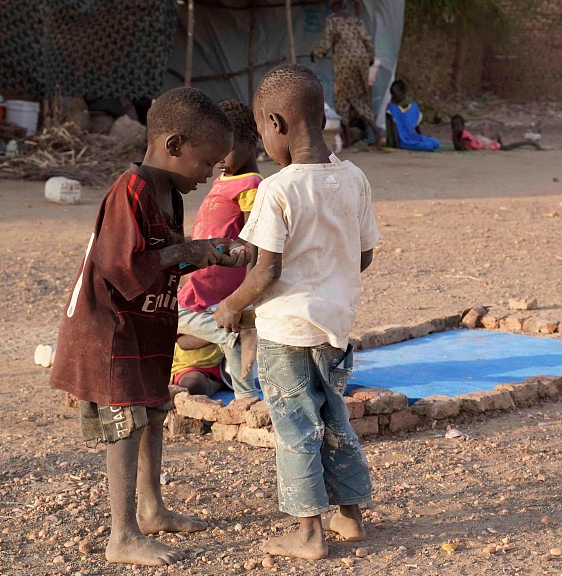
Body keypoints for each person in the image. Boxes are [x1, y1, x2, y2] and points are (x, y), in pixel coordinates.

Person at [48, 87, 251, 566]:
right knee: (124, 423)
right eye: (206, 164)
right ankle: (122, 535)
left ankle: (151, 509)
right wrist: (187, 252)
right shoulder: (131, 190)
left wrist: (208, 254)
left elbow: (161, 261)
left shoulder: (170, 194)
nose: (208, 176)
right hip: (110, 331)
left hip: (144, 324)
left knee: (153, 412)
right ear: (174, 145)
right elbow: (121, 267)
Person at [213, 64, 378, 560]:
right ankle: (350, 517)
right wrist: (332, 275)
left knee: (294, 426)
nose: (263, 141)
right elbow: (364, 253)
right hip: (335, 325)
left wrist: (230, 305)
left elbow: (265, 271)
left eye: (262, 130)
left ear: (276, 123)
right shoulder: (353, 177)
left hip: (286, 331)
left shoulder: (278, 189)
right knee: (334, 418)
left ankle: (308, 534)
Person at [172, 99, 262, 399]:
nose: (220, 158)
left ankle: (246, 396)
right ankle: (245, 394)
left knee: (172, 316)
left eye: (228, 149)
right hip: (203, 284)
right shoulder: (226, 178)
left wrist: (248, 296)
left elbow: (254, 240)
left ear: (252, 143)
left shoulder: (250, 183)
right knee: (202, 329)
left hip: (218, 287)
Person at [311, 0, 383, 148]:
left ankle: (347, 140)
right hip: (361, 60)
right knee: (360, 97)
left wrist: (315, 53)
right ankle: (377, 133)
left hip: (345, 62)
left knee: (342, 98)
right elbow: (367, 40)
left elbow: (326, 43)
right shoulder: (356, 21)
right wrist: (369, 57)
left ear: (335, 5)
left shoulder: (332, 20)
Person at [386, 79, 439, 152]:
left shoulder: (413, 106)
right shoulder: (392, 108)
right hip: (403, 141)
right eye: (391, 94)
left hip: (412, 137)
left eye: (394, 94)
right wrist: (397, 146)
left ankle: (419, 143)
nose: (392, 97)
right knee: (429, 146)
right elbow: (393, 128)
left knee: (436, 143)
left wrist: (420, 137)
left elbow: (416, 124)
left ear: (403, 92)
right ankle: (418, 145)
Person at [450, 114, 542, 152]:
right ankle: (533, 143)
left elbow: (459, 149)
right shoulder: (459, 134)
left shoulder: (464, 135)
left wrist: (455, 135)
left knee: (505, 147)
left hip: (487, 144)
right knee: (504, 145)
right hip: (479, 141)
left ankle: (533, 143)